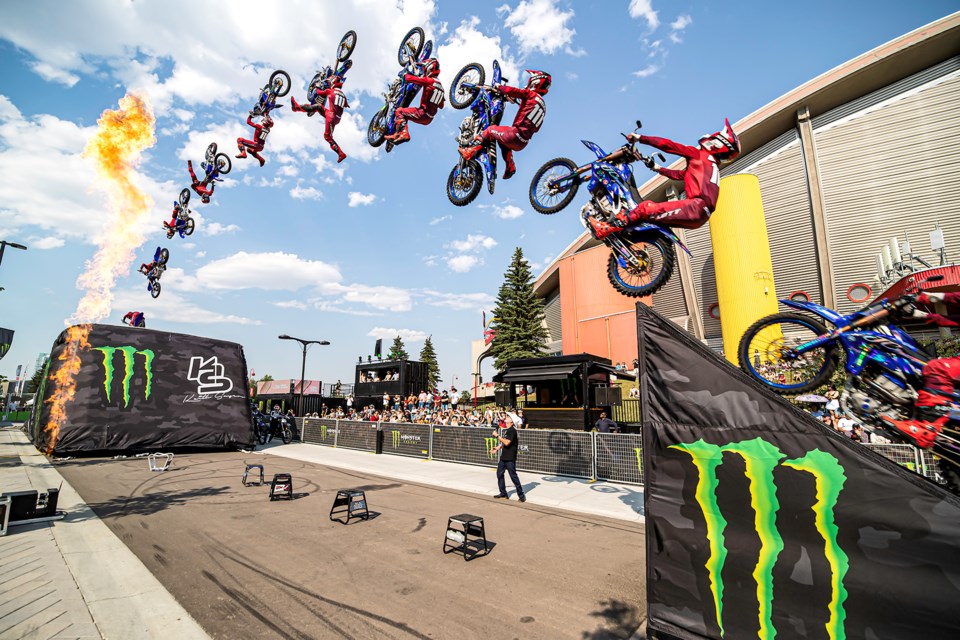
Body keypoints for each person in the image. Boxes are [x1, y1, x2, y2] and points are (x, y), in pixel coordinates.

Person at [587, 119, 741, 240]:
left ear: (717, 143)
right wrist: (658, 168)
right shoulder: (709, 165)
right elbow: (682, 175)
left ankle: (606, 228)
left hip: (694, 206)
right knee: (648, 218)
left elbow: (669, 145)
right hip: (701, 217)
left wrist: (640, 138)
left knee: (645, 207)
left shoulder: (699, 155)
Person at [459, 70, 551, 180]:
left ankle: (469, 151)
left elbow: (513, 91)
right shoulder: (542, 106)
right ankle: (510, 166)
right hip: (522, 143)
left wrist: (499, 87)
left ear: (535, 83)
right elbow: (535, 125)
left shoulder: (530, 94)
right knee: (503, 141)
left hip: (514, 134)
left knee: (490, 129)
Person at [291, 72, 349, 163]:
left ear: (333, 84)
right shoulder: (343, 95)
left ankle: (341, 153)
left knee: (327, 137)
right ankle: (296, 107)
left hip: (331, 116)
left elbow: (319, 92)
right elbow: (346, 105)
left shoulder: (331, 91)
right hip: (336, 117)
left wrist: (317, 86)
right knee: (318, 107)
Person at [385, 58, 444, 144]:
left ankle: (404, 134)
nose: (424, 71)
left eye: (425, 69)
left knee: (399, 111)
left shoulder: (429, 80)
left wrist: (405, 75)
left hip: (422, 113)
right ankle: (397, 134)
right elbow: (441, 105)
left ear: (430, 68)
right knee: (406, 115)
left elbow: (410, 79)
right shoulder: (441, 87)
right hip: (429, 119)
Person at [491, 416, 525, 502]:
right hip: (504, 457)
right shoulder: (507, 430)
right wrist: (498, 448)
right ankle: (503, 493)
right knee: (499, 474)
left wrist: (497, 436)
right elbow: (505, 442)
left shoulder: (512, 431)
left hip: (510, 457)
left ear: (512, 422)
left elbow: (507, 442)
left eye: (508, 419)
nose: (506, 420)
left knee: (513, 476)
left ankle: (521, 495)